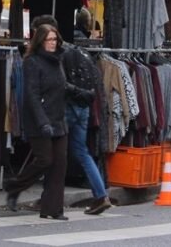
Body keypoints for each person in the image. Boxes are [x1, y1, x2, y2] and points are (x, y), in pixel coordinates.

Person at [32, 14, 111, 216]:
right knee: (81, 152)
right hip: (83, 107)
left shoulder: (54, 53)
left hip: (65, 107)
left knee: (54, 153)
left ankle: (47, 199)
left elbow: (58, 84)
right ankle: (101, 195)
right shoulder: (76, 50)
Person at [5, 24, 69, 220]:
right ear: (40, 41)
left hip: (58, 118)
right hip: (39, 120)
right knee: (45, 159)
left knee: (59, 165)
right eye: (49, 40)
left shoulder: (58, 60)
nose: (53, 43)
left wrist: (80, 92)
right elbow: (32, 95)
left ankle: (53, 208)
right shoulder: (32, 62)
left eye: (55, 39)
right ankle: (14, 187)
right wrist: (43, 122)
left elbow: (61, 85)